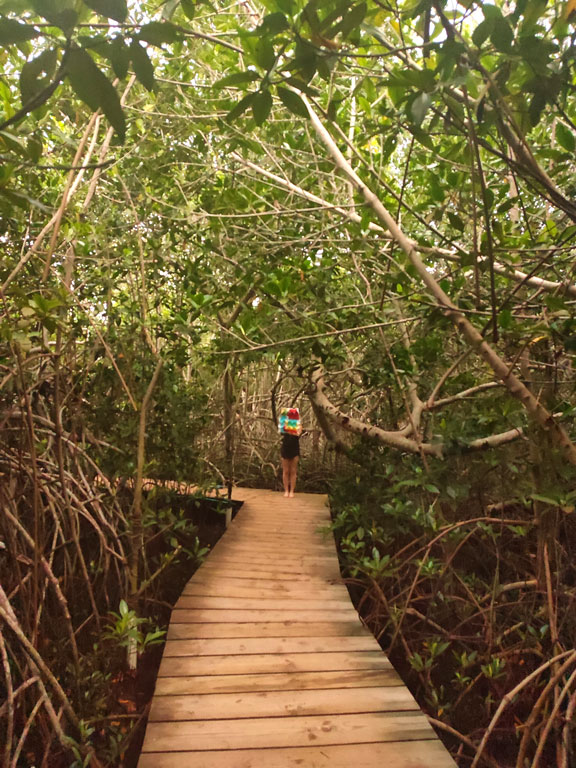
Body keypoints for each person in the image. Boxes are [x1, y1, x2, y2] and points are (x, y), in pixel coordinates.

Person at [279, 407, 301, 498]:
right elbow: (280, 431)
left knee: (293, 471)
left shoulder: (297, 424)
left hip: (295, 448)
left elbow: (298, 433)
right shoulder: (283, 424)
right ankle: (286, 491)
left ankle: (292, 491)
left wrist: (292, 428)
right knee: (286, 471)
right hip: (285, 448)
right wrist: (284, 422)